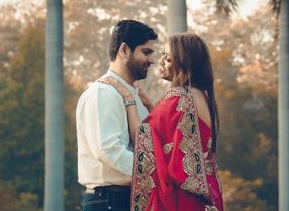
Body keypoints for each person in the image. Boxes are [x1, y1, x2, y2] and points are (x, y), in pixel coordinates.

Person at [100, 33, 224, 211]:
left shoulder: (179, 98)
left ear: (183, 63)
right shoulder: (201, 96)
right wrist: (153, 108)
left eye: (167, 58)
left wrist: (128, 99)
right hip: (204, 195)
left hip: (182, 198)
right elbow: (175, 136)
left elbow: (142, 141)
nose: (160, 61)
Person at [76, 20, 159, 211]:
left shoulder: (136, 97)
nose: (151, 60)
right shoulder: (103, 93)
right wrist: (157, 171)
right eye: (146, 52)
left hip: (129, 200)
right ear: (124, 50)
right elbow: (109, 150)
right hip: (108, 202)